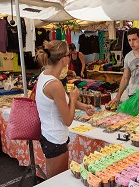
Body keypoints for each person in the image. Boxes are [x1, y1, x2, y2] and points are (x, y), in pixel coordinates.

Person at [36, 40, 95, 179]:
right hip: (55, 139)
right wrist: (74, 98)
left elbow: (62, 100)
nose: (70, 57)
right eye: (69, 54)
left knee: (56, 179)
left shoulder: (44, 75)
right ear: (64, 59)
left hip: (49, 135)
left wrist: (83, 106)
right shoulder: (54, 84)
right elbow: (68, 120)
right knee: (57, 180)